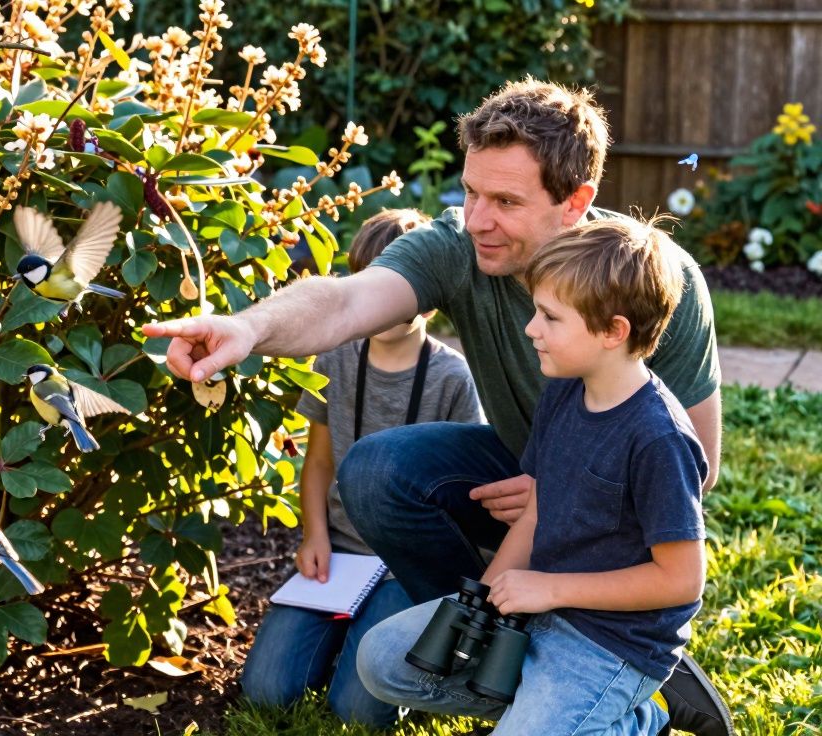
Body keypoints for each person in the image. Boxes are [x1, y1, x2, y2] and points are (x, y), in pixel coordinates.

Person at [143, 78, 734, 735]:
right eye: (471, 192)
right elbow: (345, 300)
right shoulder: (461, 248)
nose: (477, 219)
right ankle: (500, 637)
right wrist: (248, 329)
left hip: (611, 510)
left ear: (575, 202)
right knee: (374, 473)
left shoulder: (652, 284)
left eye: (505, 201)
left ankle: (609, 677)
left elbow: (695, 465)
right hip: (524, 471)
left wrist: (564, 503)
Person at [357, 218, 708, 734]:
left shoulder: (659, 438)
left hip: (612, 644)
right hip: (542, 609)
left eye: (549, 317)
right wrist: (490, 593)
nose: (531, 329)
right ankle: (552, 716)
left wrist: (549, 589)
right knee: (382, 660)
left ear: (613, 331)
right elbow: (540, 503)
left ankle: (639, 720)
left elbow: (681, 580)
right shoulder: (567, 388)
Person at [240, 209, 485, 727]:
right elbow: (319, 460)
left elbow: (470, 490)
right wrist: (314, 535)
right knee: (265, 690)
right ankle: (344, 636)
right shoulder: (336, 359)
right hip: (341, 553)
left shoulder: (453, 377)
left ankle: (376, 645)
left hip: (409, 561)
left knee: (357, 711)